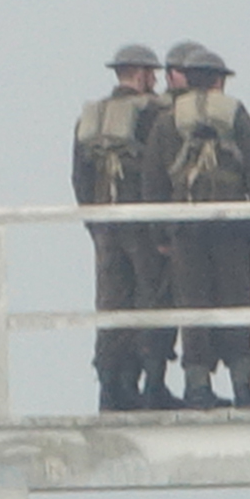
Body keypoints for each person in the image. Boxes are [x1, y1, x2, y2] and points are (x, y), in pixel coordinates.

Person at [142, 47, 250, 409]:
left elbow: (153, 182)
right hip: (231, 227)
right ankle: (243, 387)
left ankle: (197, 386)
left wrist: (160, 234)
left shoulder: (168, 120)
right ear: (218, 81)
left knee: (192, 304)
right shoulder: (236, 114)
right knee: (235, 303)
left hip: (185, 228)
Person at [73, 44, 177, 410]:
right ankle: (150, 385)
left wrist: (93, 221)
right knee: (151, 299)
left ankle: (111, 387)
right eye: (153, 73)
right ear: (142, 73)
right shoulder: (154, 115)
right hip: (142, 225)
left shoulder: (92, 117)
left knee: (111, 305)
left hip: (104, 223)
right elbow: (160, 170)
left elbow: (79, 177)